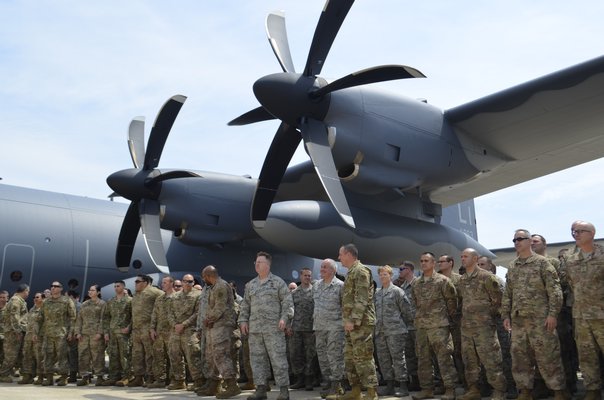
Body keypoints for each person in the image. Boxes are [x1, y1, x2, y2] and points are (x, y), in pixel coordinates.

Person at [502, 229, 569, 400]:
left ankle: (558, 391)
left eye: (520, 239)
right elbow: (508, 293)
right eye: (514, 239)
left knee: (548, 355)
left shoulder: (542, 263)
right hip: (518, 321)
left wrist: (553, 314)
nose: (517, 242)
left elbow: (555, 291)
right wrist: (506, 316)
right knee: (520, 357)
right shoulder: (513, 265)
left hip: (541, 319)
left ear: (530, 241)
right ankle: (525, 391)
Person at [239, 251, 293, 400]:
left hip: (274, 330)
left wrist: (284, 318)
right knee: (257, 360)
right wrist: (243, 320)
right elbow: (245, 306)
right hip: (255, 330)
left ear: (268, 265)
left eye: (260, 262)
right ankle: (261, 389)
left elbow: (288, 303)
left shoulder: (278, 282)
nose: (257, 265)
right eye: (255, 262)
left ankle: (283, 390)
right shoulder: (250, 285)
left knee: (278, 360)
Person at [457, 249, 506, 400]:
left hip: (484, 327)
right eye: (461, 257)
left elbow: (499, 300)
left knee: (491, 360)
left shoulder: (487, 277)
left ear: (475, 258)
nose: (463, 259)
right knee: (470, 361)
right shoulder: (462, 280)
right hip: (467, 328)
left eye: (465, 256)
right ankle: (474, 389)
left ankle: (499, 391)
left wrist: (485, 315)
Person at [564, 221, 604, 400]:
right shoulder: (570, 258)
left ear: (592, 233)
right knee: (586, 356)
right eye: (573, 231)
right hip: (580, 316)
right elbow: (570, 284)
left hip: (601, 314)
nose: (576, 234)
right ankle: (592, 390)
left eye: (580, 231)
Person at [411, 252, 457, 400]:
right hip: (422, 327)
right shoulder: (416, 283)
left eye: (426, 261)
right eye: (421, 261)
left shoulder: (443, 281)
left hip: (439, 325)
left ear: (433, 263)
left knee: (444, 358)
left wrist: (446, 320)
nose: (423, 263)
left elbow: (452, 302)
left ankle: (450, 389)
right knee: (423, 358)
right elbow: (414, 303)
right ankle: (427, 389)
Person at [336, 243, 379, 400]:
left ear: (348, 254)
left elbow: (362, 299)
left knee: (363, 357)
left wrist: (354, 320)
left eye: (340, 254)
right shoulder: (350, 272)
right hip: (350, 324)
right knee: (349, 357)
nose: (339, 257)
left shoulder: (361, 271)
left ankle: (371, 392)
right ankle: (355, 391)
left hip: (361, 323)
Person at [477, 256, 516, 399]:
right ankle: (487, 385)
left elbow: (503, 302)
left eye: (482, 264)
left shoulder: (495, 281)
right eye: (478, 264)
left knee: (504, 354)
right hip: (483, 325)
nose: (479, 266)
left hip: (498, 322)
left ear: (490, 267)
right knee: (485, 356)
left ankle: (511, 386)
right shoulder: (475, 282)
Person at [200, 265, 242, 398]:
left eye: (203, 277)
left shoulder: (220, 286)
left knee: (221, 354)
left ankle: (232, 386)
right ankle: (214, 385)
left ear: (208, 276)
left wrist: (208, 319)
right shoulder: (214, 287)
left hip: (223, 325)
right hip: (216, 325)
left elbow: (220, 307)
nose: (203, 280)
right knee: (212, 355)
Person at [374, 265, 414, 397]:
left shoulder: (397, 292)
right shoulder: (377, 293)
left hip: (395, 331)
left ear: (390, 276)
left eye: (385, 274)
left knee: (398, 359)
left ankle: (403, 385)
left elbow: (407, 312)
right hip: (380, 332)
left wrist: (403, 327)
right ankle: (389, 385)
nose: (382, 277)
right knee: (383, 359)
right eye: (380, 274)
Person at [314, 258, 346, 399]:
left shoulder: (340, 286)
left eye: (325, 267)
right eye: (321, 267)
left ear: (333, 270)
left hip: (335, 327)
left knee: (335, 356)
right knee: (322, 357)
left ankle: (336, 385)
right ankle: (327, 382)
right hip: (319, 327)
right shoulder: (316, 285)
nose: (321, 269)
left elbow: (346, 308)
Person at [35, 280, 77, 386]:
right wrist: (36, 332)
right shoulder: (46, 302)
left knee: (62, 356)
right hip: (48, 334)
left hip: (61, 335)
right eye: (52, 286)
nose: (53, 288)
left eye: (56, 286)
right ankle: (49, 378)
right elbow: (40, 318)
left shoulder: (67, 301)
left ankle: (63, 377)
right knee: (47, 356)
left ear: (61, 288)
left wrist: (71, 332)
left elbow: (73, 318)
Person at [167, 273, 203, 391]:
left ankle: (198, 380)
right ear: (181, 282)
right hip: (175, 331)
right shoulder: (174, 296)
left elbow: (198, 313)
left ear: (193, 283)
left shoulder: (198, 295)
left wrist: (184, 324)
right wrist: (175, 325)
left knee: (193, 355)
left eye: (190, 281)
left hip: (190, 330)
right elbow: (169, 313)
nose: (188, 283)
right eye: (185, 281)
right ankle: (179, 380)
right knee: (174, 355)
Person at [129, 274, 163, 387]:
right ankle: (138, 377)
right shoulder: (136, 295)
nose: (135, 283)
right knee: (137, 354)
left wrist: (156, 326)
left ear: (146, 282)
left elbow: (164, 302)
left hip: (148, 328)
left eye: (137, 281)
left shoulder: (154, 292)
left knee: (150, 354)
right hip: (136, 329)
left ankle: (151, 377)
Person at [438, 254, 464, 388]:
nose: (439, 263)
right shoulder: (436, 280)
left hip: (456, 322)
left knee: (459, 352)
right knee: (443, 354)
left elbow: (463, 300)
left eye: (442, 261)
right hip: (440, 322)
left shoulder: (459, 279)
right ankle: (446, 383)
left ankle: (464, 381)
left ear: (451, 263)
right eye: (439, 261)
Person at [289, 267, 317, 391]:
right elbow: (289, 311)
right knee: (296, 354)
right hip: (296, 329)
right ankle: (299, 379)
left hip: (311, 329)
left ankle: (309, 379)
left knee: (310, 355)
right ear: (300, 276)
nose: (307, 277)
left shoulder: (315, 292)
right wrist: (288, 326)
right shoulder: (294, 293)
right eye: (305, 275)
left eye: (309, 276)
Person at [101, 280, 132, 386]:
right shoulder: (110, 301)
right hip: (112, 332)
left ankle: (126, 377)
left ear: (123, 287)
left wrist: (129, 327)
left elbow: (134, 317)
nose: (115, 288)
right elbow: (106, 317)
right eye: (114, 286)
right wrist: (106, 332)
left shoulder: (130, 301)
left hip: (124, 334)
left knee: (125, 355)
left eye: (118, 286)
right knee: (113, 355)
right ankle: (114, 377)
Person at [74, 284, 106, 386]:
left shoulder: (102, 304)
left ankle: (100, 377)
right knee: (83, 356)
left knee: (97, 356)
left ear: (98, 292)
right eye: (89, 290)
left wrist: (100, 333)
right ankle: (85, 377)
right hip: (84, 334)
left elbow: (103, 320)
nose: (90, 292)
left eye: (92, 290)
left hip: (95, 334)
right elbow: (79, 319)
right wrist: (77, 332)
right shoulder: (85, 304)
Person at [396, 261, 420, 391]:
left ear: (409, 269)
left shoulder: (419, 283)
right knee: (410, 355)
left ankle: (430, 381)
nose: (399, 271)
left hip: (419, 325)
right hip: (407, 326)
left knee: (423, 354)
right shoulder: (402, 287)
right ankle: (415, 380)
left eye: (402, 269)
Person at [149, 275, 176, 388]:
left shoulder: (177, 297)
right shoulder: (159, 298)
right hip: (160, 332)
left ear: (171, 283)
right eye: (162, 282)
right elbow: (154, 314)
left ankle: (174, 380)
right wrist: (152, 329)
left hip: (172, 332)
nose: (162, 284)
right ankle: (160, 380)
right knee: (159, 356)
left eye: (165, 282)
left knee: (174, 356)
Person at [0, 283, 30, 382]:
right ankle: (3, 375)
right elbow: (14, 317)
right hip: (13, 333)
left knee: (15, 354)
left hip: (15, 331)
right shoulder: (16, 301)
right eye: (27, 291)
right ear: (24, 291)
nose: (28, 294)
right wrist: (18, 331)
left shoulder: (19, 301)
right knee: (10, 354)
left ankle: (9, 372)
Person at [19, 292, 45, 385]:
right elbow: (26, 321)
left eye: (37, 297)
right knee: (27, 356)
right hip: (28, 337)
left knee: (39, 357)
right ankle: (27, 376)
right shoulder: (32, 309)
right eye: (34, 297)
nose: (35, 298)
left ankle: (40, 376)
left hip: (38, 337)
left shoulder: (45, 309)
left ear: (43, 298)